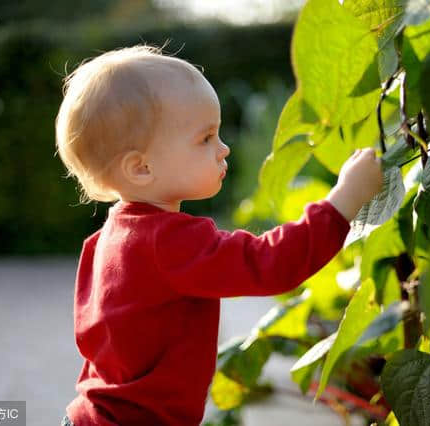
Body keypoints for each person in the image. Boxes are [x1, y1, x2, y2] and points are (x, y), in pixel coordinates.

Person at [55, 44, 384, 425]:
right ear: (141, 167)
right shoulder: (168, 241)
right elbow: (269, 263)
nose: (223, 148)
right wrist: (343, 200)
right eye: (206, 137)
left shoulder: (107, 240)